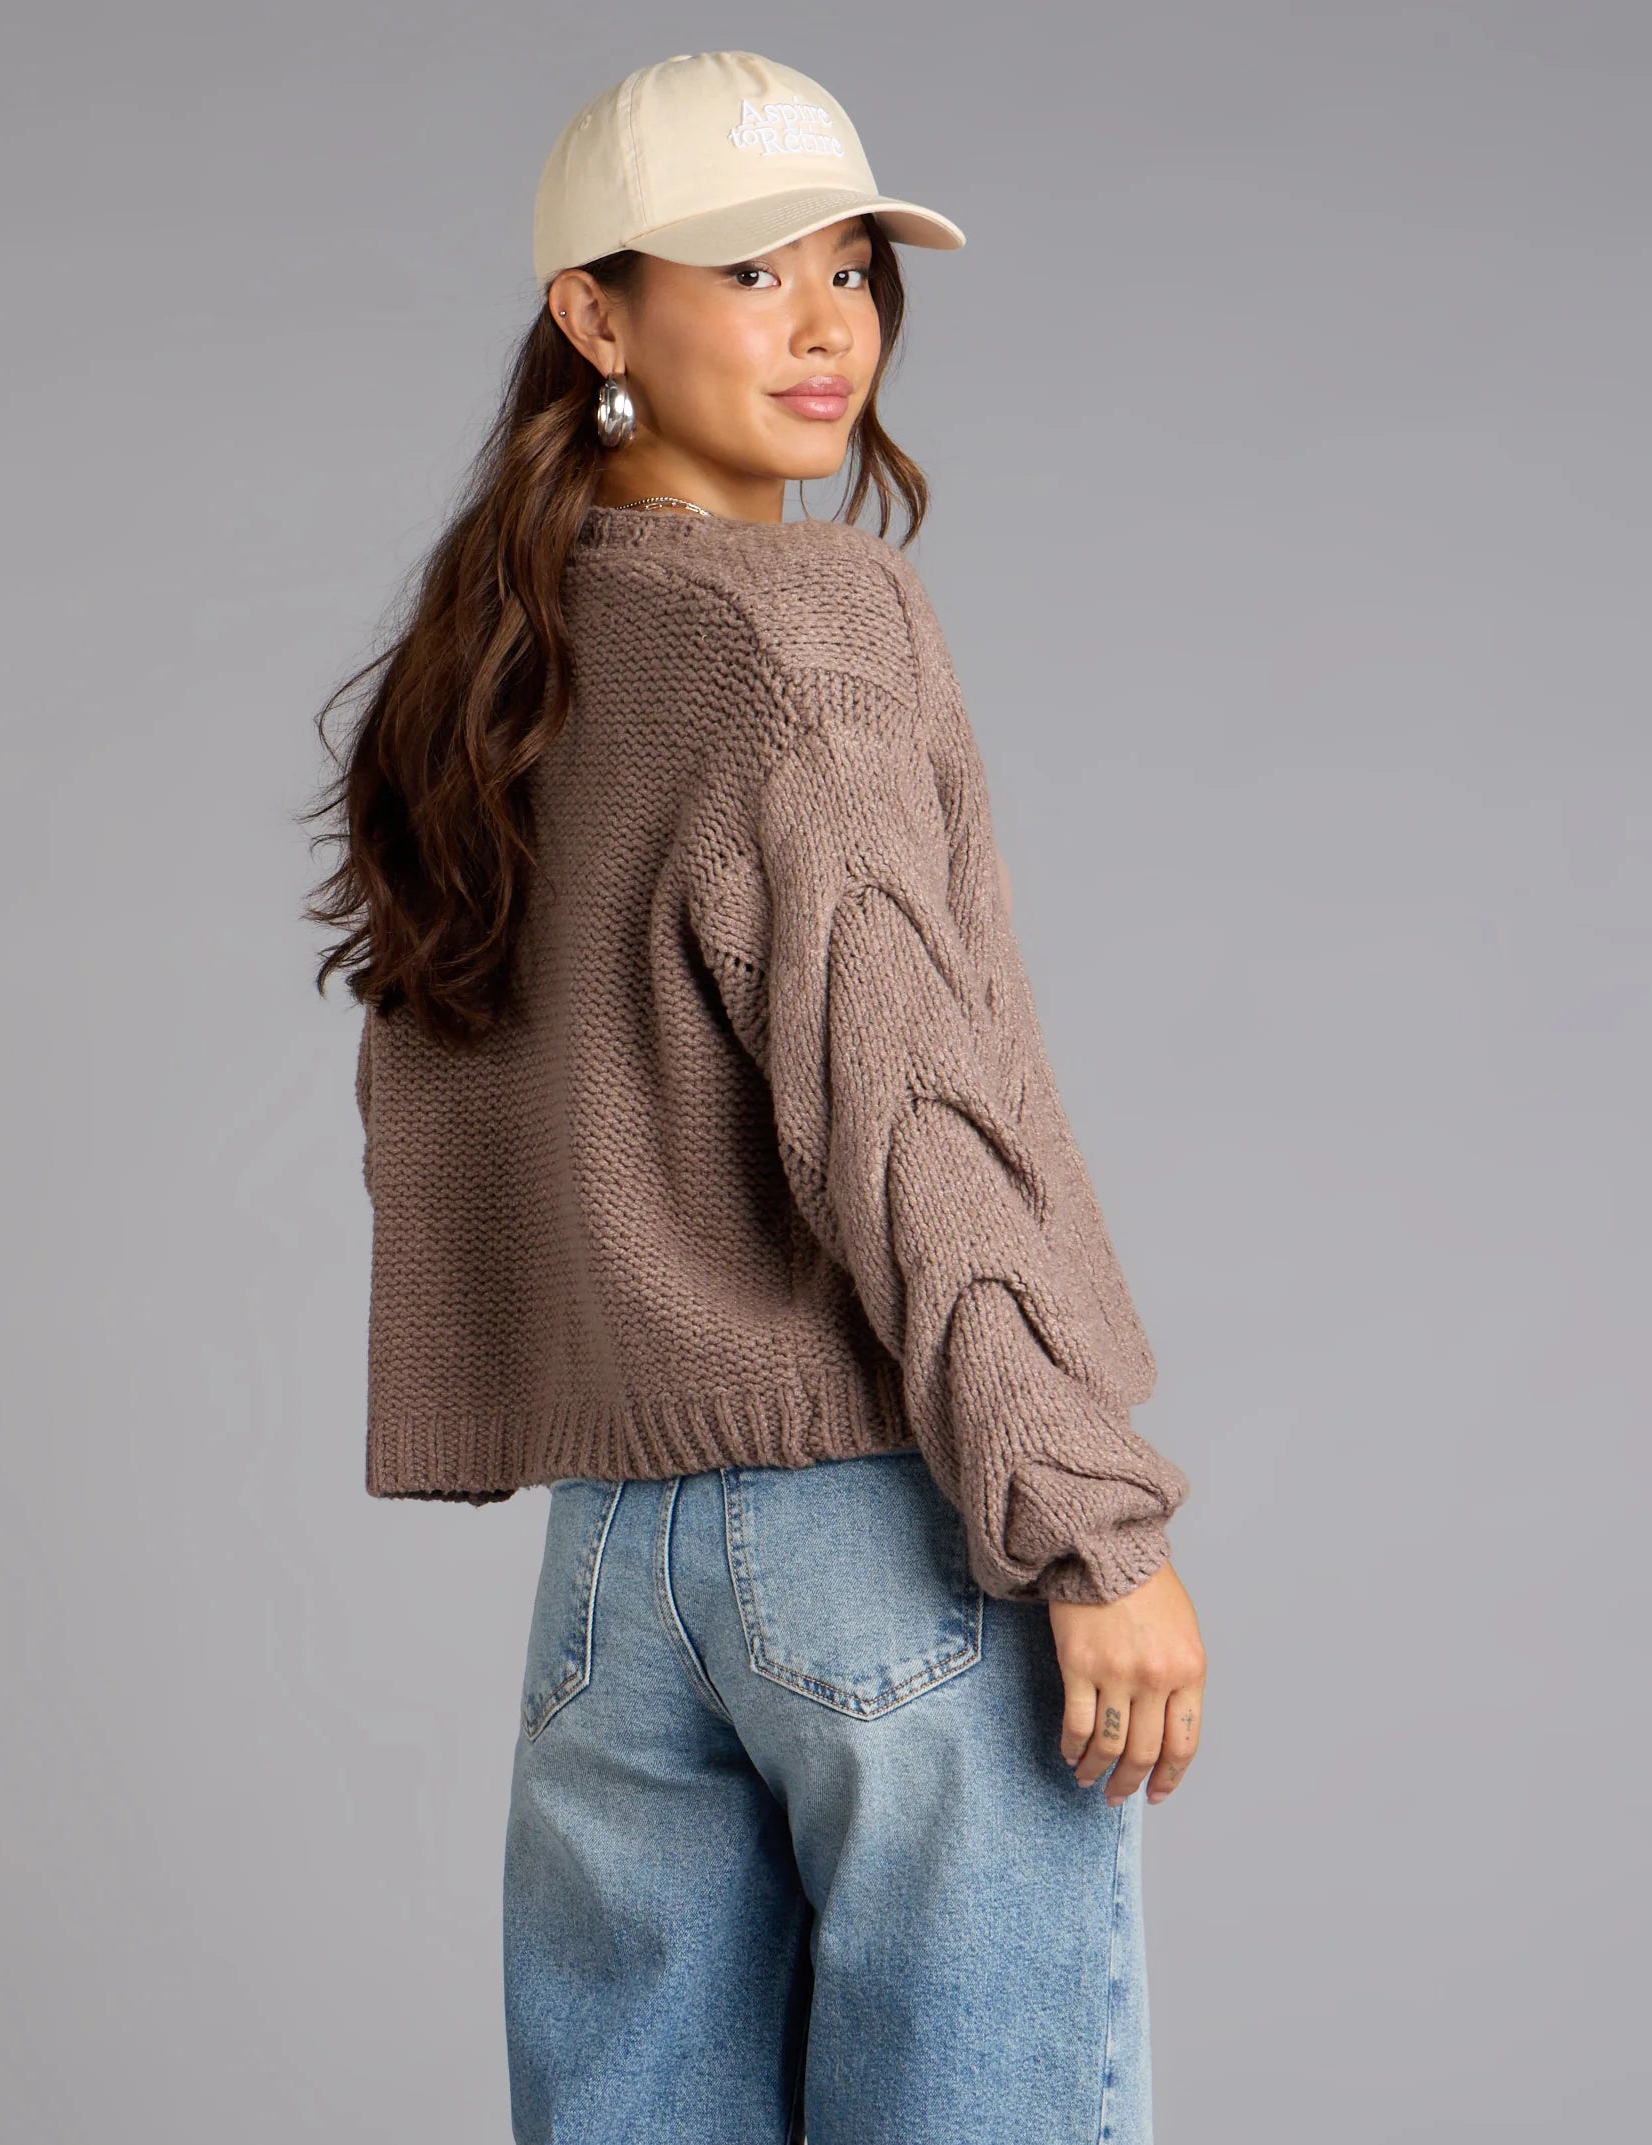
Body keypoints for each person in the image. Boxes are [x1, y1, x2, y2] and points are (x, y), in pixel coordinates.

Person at [304, 48, 1207, 2145]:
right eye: (747, 272)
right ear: (595, 316)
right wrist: (1090, 1526)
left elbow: (451, 1112)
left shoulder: (491, 661)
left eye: (850, 269)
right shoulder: (810, 631)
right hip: (883, 1530)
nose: (825, 328)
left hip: (612, 1575)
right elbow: (907, 1098)